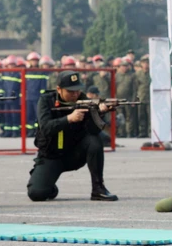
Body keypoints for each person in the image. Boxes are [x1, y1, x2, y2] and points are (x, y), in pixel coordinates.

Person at [26, 71, 118, 202]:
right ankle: (48, 185)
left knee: (94, 140)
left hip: (75, 154)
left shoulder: (84, 100)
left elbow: (93, 130)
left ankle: (98, 188)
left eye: (77, 90)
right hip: (51, 156)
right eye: (70, 91)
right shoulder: (46, 100)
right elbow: (46, 128)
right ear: (59, 89)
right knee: (37, 194)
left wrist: (99, 113)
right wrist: (69, 118)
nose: (75, 94)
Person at [23, 53, 50, 134]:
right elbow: (24, 85)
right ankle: (30, 131)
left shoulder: (41, 72)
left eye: (35, 61)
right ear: (29, 62)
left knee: (38, 115)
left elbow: (43, 87)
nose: (34, 62)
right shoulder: (26, 72)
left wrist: (42, 97)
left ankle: (37, 131)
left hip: (37, 98)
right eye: (32, 61)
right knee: (29, 115)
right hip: (28, 98)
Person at [113, 58, 138, 137]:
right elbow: (113, 88)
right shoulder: (116, 75)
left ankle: (129, 133)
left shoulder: (132, 75)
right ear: (120, 67)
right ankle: (121, 133)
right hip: (119, 99)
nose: (124, 67)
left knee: (129, 117)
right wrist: (114, 99)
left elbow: (134, 89)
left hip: (129, 99)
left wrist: (134, 100)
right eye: (123, 66)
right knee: (120, 116)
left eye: (126, 66)